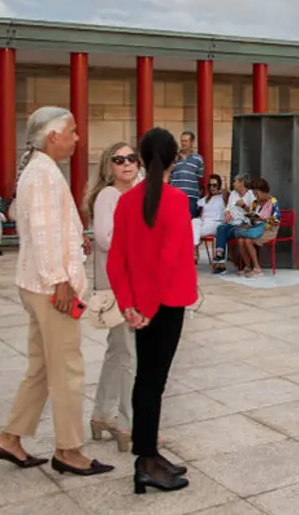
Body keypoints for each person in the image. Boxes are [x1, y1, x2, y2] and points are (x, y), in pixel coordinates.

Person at [0, 106, 113, 478]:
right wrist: (61, 280)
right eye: (73, 132)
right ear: (53, 137)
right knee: (67, 370)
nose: (78, 138)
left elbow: (44, 227)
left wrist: (74, 248)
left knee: (42, 369)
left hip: (36, 284)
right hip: (50, 289)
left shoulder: (38, 171)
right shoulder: (42, 173)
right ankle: (68, 449)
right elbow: (42, 233)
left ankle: (9, 439)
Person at [108, 127, 198, 494]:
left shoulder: (126, 201)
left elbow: (117, 259)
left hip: (142, 305)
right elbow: (169, 259)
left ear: (141, 159)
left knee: (147, 380)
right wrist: (145, 307)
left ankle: (148, 454)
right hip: (166, 302)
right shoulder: (176, 200)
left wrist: (130, 304)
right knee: (152, 382)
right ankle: (145, 461)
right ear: (175, 158)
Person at [82, 142, 140, 452]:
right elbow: (105, 239)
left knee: (118, 351)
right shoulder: (108, 195)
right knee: (128, 352)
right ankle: (126, 422)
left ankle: (101, 415)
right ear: (109, 166)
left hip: (133, 282)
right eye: (119, 160)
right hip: (118, 284)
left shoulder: (135, 193)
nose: (127, 164)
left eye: (132, 158)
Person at [233, 179, 280, 276]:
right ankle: (248, 267)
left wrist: (263, 220)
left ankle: (257, 268)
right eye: (254, 193)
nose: (255, 196)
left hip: (269, 230)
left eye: (256, 193)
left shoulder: (273, 202)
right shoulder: (255, 202)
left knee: (248, 241)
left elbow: (276, 221)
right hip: (256, 229)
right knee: (241, 240)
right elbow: (252, 215)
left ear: (263, 191)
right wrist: (250, 218)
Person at [211, 175, 255, 272]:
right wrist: (227, 214)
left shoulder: (251, 195)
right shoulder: (233, 194)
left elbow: (254, 213)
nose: (233, 183)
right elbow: (228, 208)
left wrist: (244, 206)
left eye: (235, 181)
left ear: (241, 183)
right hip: (231, 223)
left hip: (243, 225)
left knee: (223, 233)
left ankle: (221, 263)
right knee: (221, 228)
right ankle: (219, 255)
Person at [191, 174, 227, 261]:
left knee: (191, 232)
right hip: (204, 223)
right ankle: (195, 248)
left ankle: (194, 250)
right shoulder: (206, 198)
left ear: (219, 185)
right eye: (210, 185)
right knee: (195, 221)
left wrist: (224, 181)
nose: (212, 187)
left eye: (215, 185)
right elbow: (200, 211)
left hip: (216, 224)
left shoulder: (223, 197)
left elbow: (224, 189)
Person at [169, 131, 204, 218]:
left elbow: (199, 178)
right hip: (175, 196)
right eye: (182, 141)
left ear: (192, 142)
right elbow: (168, 174)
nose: (183, 143)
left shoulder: (198, 159)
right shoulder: (173, 157)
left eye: (186, 141)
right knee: (175, 221)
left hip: (191, 196)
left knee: (190, 222)